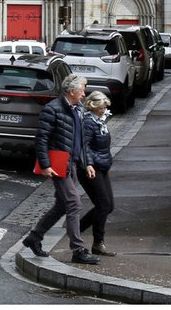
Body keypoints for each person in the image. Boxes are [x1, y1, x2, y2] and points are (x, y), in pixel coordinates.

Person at [22, 73, 98, 264]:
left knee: (62, 205)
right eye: (82, 89)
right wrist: (46, 165)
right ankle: (78, 249)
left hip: (71, 163)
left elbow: (82, 141)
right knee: (74, 203)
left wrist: (87, 162)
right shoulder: (53, 109)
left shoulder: (78, 108)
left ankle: (34, 237)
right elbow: (41, 139)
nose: (84, 93)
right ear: (72, 91)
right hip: (58, 165)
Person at [77, 90, 118, 256]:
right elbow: (84, 146)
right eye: (100, 108)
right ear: (92, 106)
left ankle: (77, 229)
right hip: (90, 168)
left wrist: (105, 167)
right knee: (104, 204)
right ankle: (98, 243)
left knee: (108, 206)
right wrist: (89, 164)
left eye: (104, 107)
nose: (103, 110)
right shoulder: (88, 122)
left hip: (101, 167)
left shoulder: (99, 121)